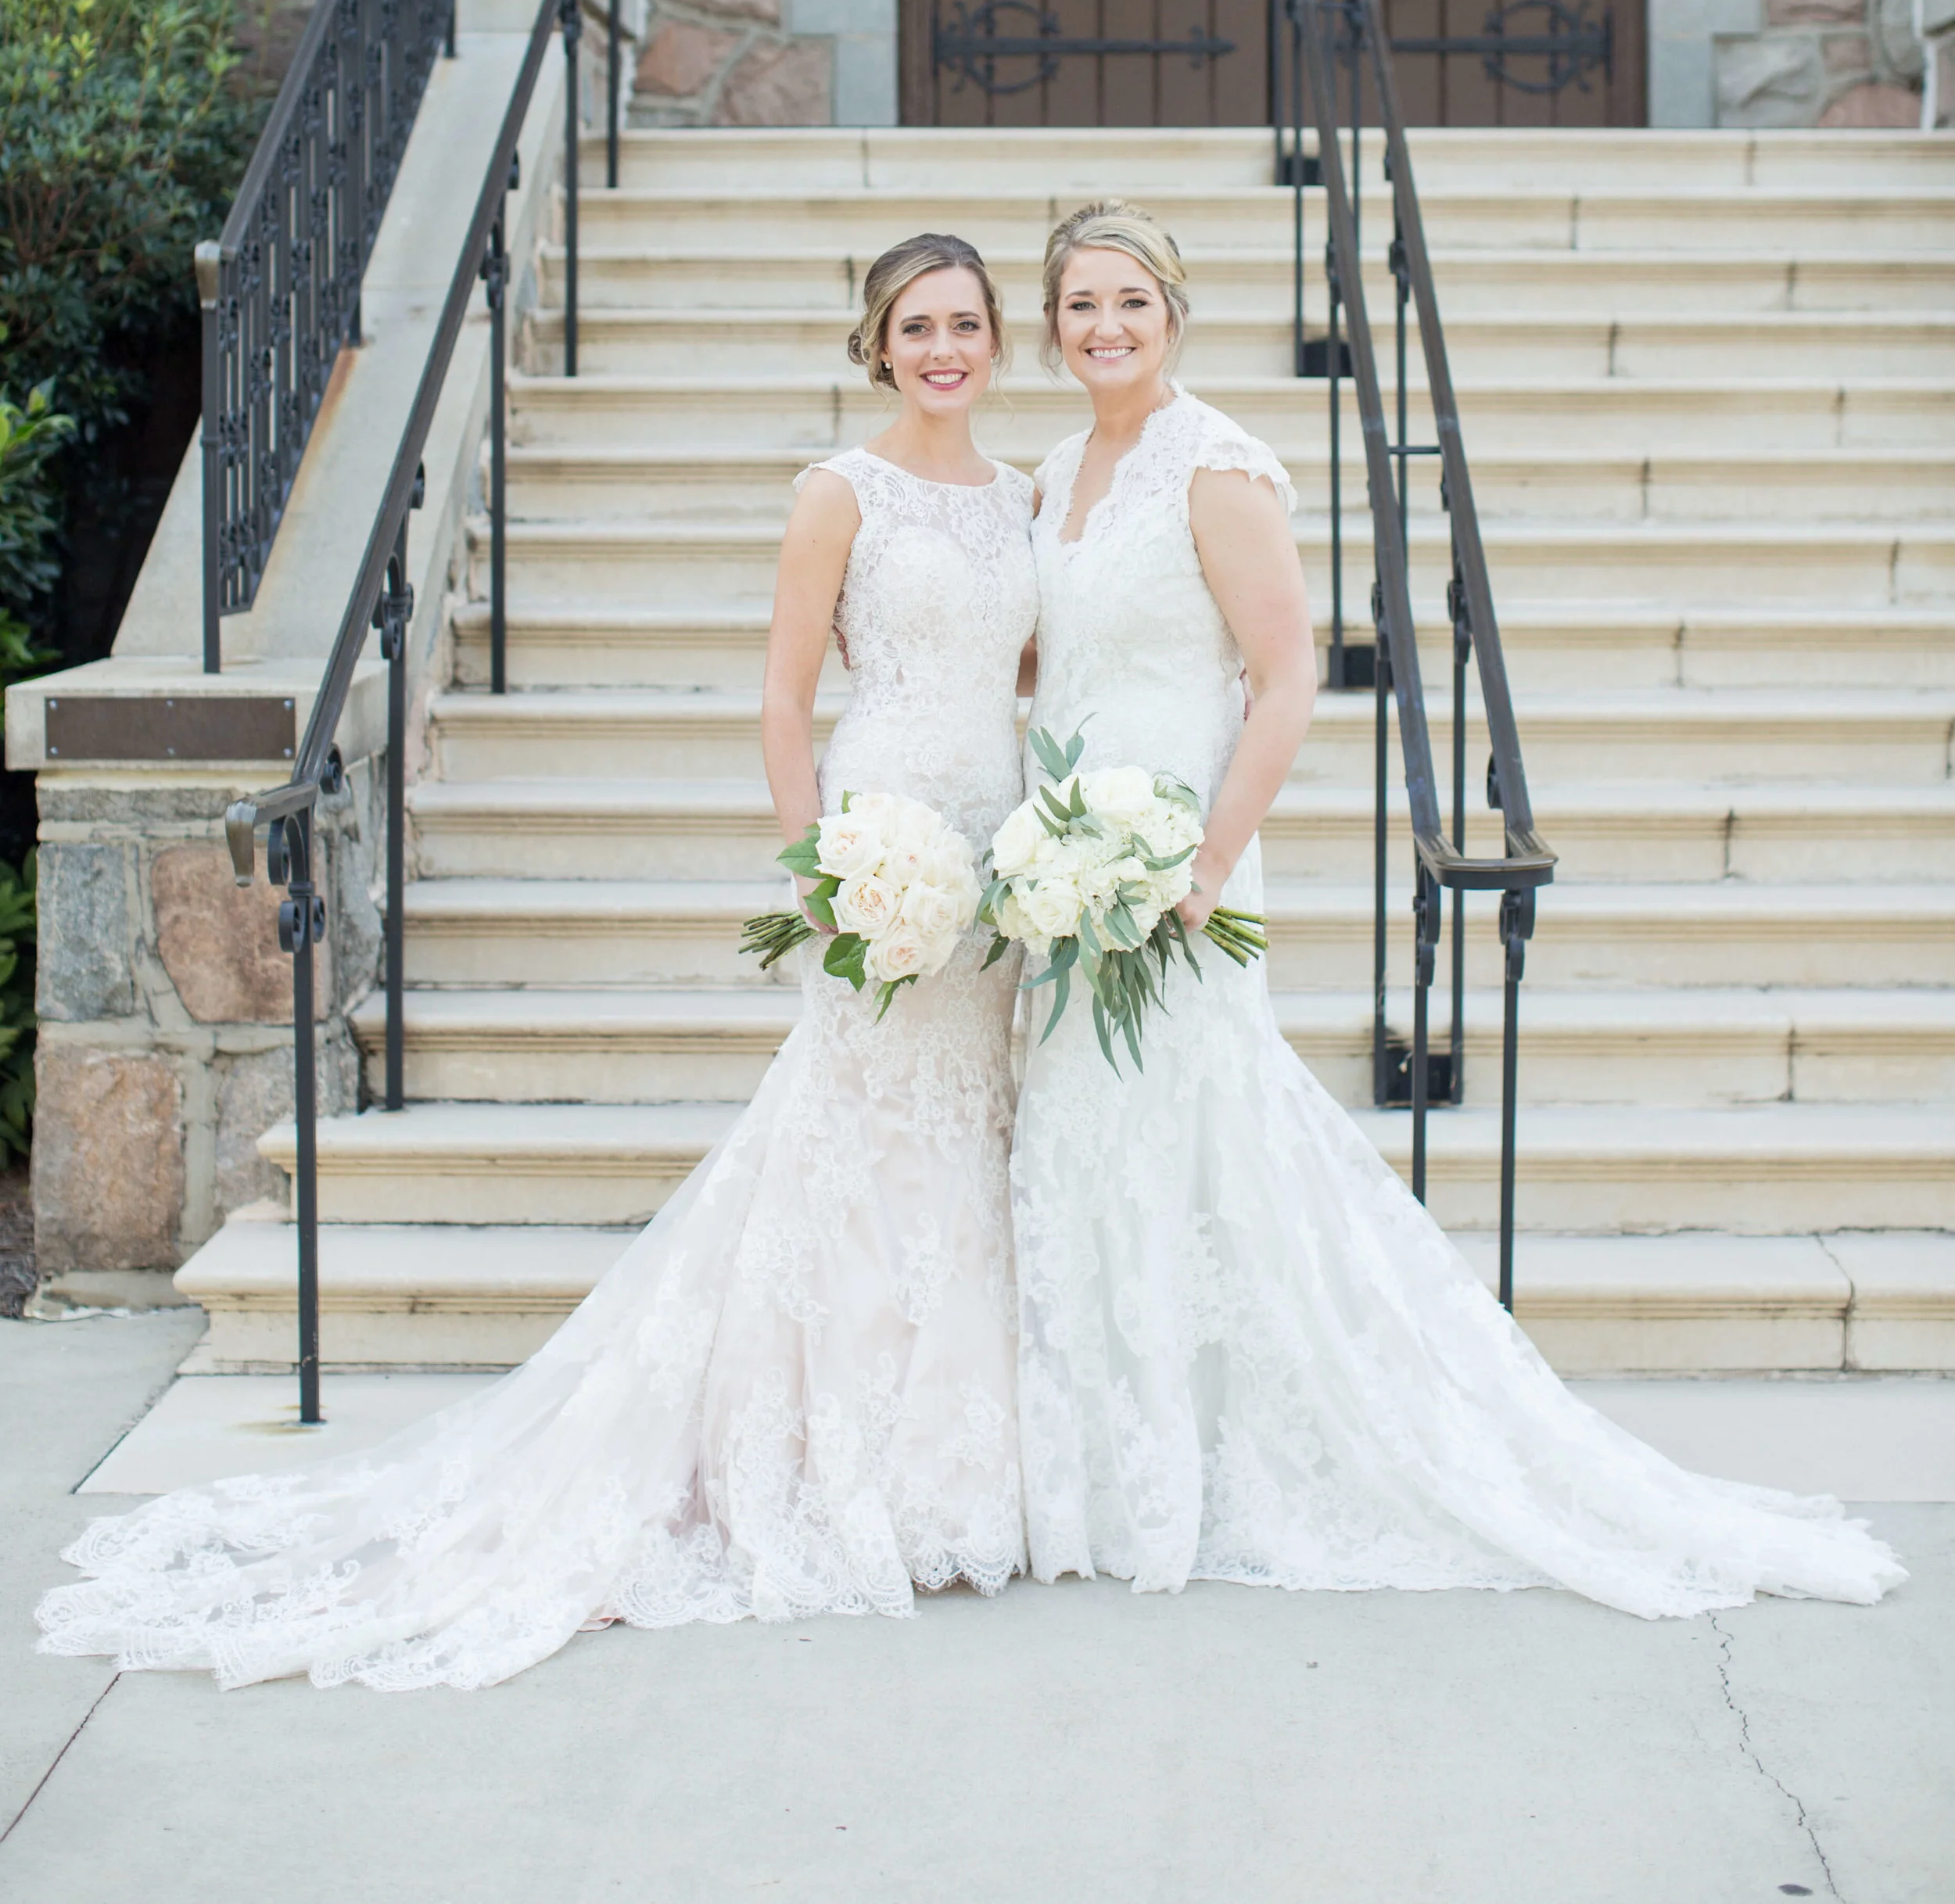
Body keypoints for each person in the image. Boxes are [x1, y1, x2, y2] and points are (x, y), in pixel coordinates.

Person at [38, 233, 1037, 1690]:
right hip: (887, 836)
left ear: (996, 339)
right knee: (863, 1138)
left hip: (994, 844)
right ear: (876, 345)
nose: (943, 348)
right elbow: (781, 689)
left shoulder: (1021, 497)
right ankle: (835, 1462)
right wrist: (820, 862)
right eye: (915, 326)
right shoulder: (842, 492)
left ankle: (957, 1467)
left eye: (964, 324)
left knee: (966, 1140)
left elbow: (1022, 664)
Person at [1010, 199, 1905, 1619]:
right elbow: (1047, 662)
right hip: (1060, 862)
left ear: (1174, 310)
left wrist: (1202, 864)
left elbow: (1287, 676)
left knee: (1190, 1127)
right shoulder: (1054, 471)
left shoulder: (1218, 462)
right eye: (1079, 305)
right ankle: (1097, 1462)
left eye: (1130, 299)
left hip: (1178, 859)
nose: (1104, 325)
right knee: (1083, 1131)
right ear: (1049, 325)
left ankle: (1209, 1456)